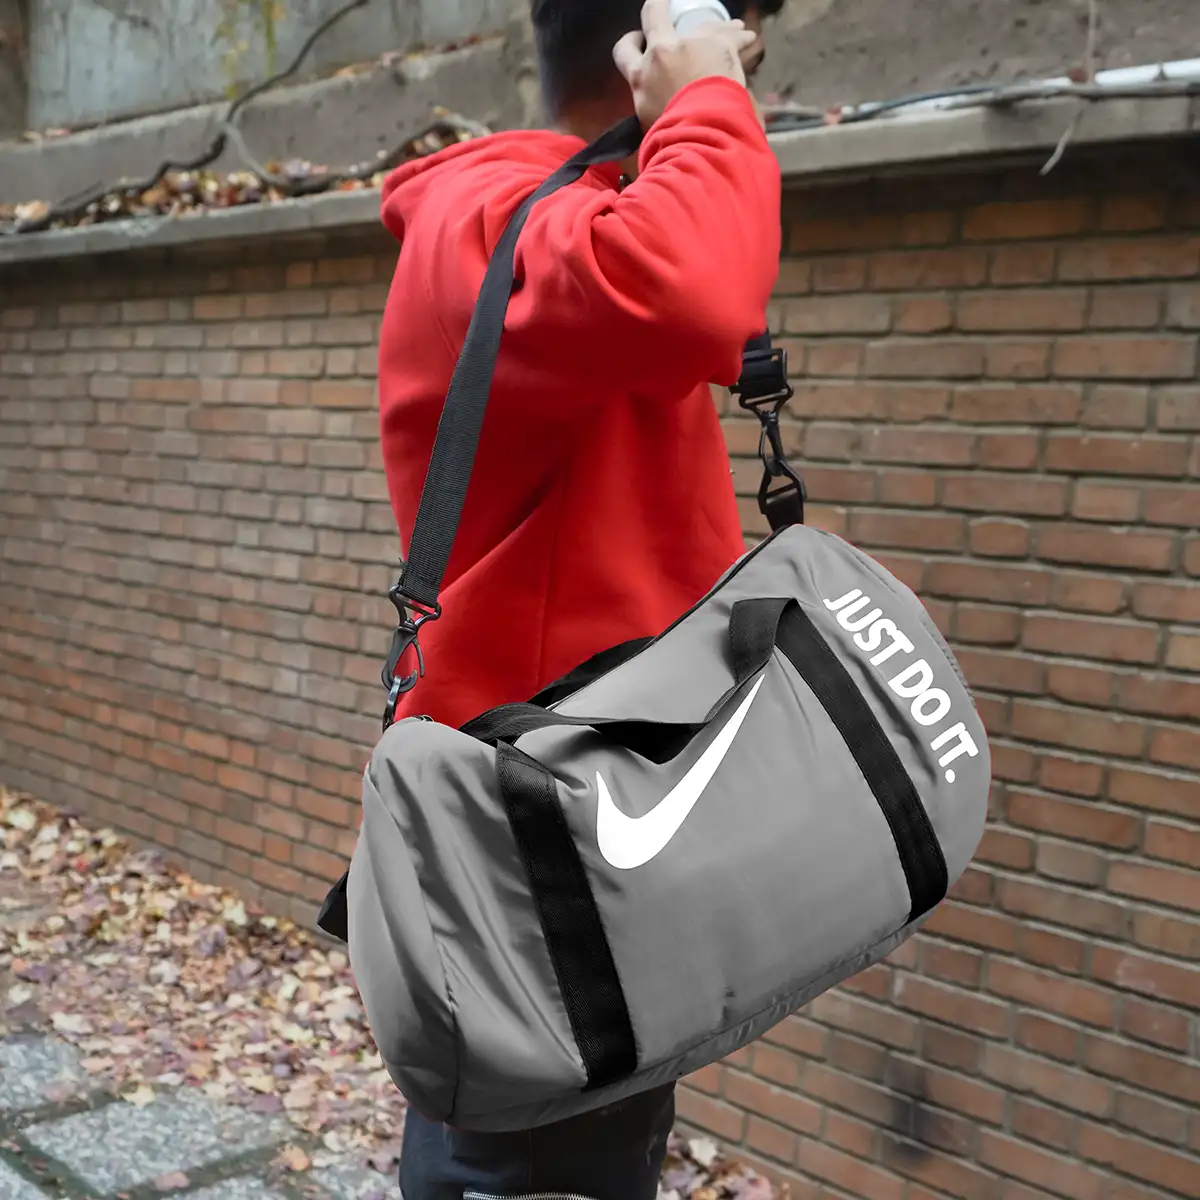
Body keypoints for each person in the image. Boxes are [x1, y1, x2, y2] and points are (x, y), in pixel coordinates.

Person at [374, 1, 786, 1196]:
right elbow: (694, 293)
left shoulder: (566, 214)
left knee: (578, 1145)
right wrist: (707, 99)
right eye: (734, 38)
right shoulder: (496, 211)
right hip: (544, 838)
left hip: (593, 813)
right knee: (529, 1158)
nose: (745, 69)